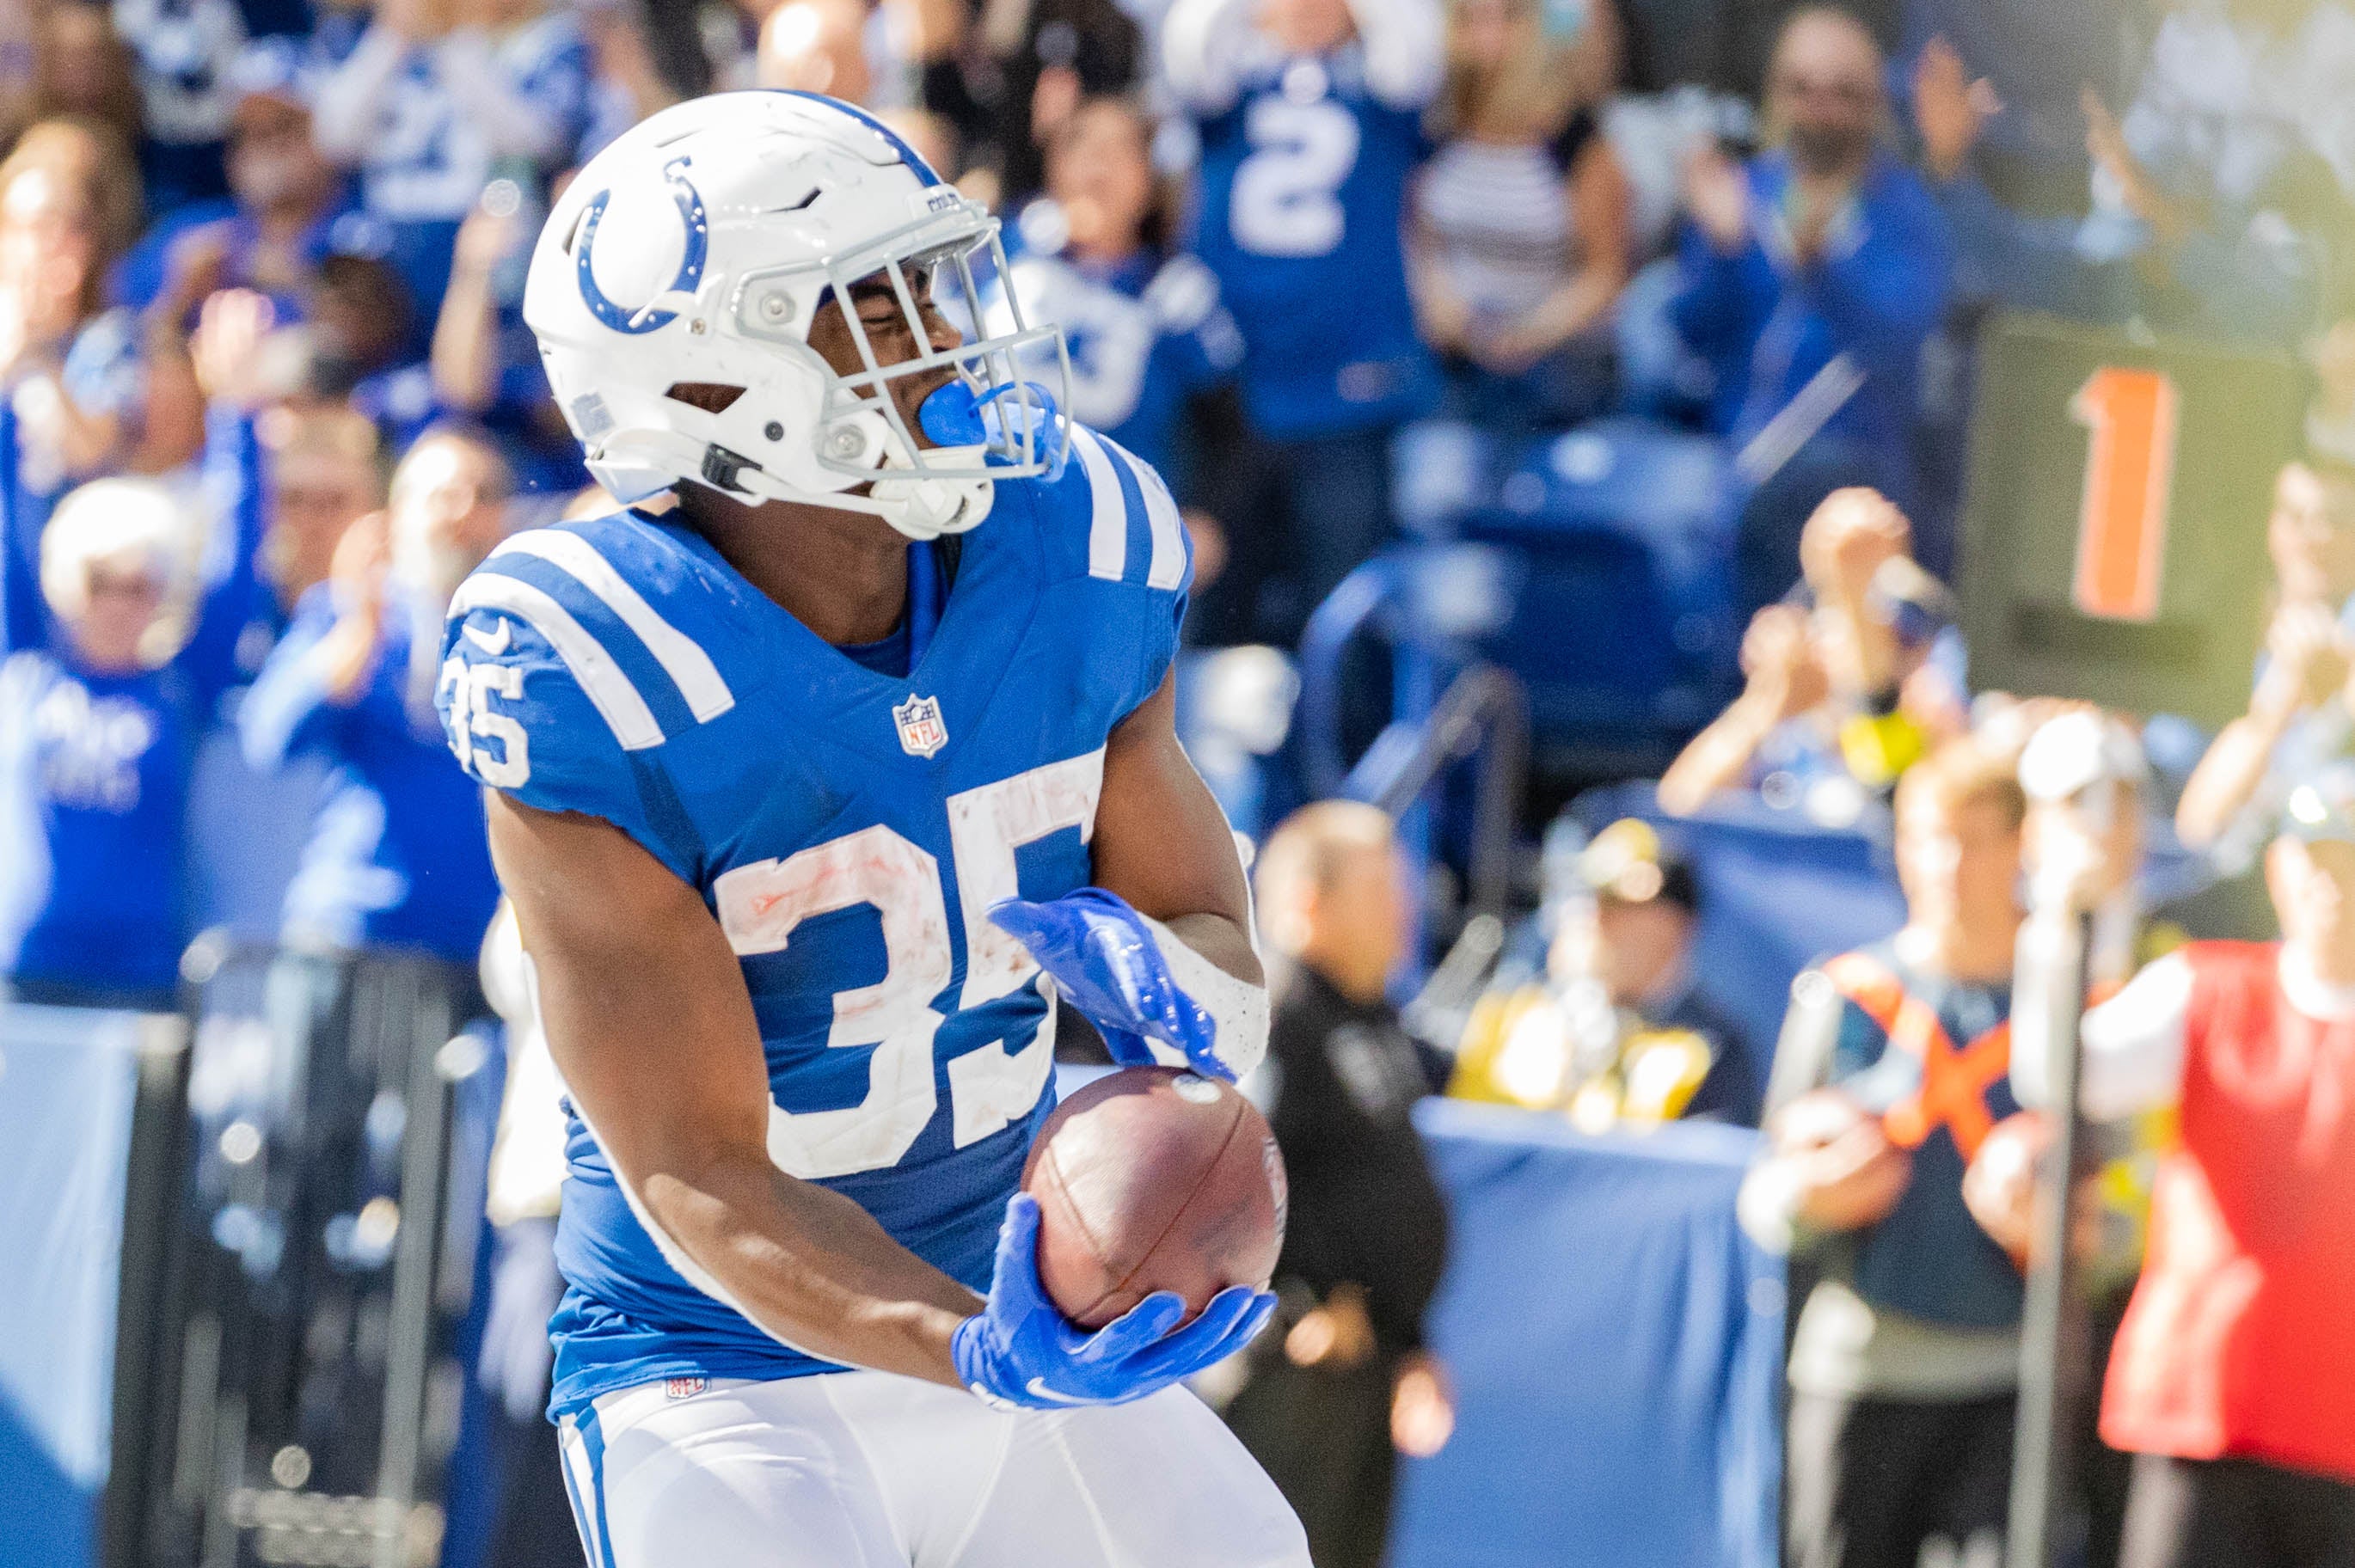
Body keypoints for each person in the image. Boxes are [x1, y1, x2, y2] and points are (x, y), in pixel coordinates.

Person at [435, 94, 1301, 1565]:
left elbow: (1210, 944)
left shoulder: (1074, 538)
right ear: (712, 384)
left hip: (1011, 1303)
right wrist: (972, 1347)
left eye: (937, 287)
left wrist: (1182, 988)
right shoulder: (595, 666)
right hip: (720, 1372)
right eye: (880, 306)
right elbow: (696, 1169)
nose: (951, 338)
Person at [2010, 772, 2355, 1568]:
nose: (2332, 887)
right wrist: (2057, 924)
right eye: (2317, 862)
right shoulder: (2206, 985)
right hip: (2204, 1401)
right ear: (2279, 871)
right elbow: (2059, 1073)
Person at [1741, 738, 2027, 1568]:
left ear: (2020, 847)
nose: (1947, 866)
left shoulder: (2072, 1001)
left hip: (2012, 1376)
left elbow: (2123, 1213)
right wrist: (1811, 1195)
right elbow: (1764, 1193)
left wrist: (2070, 1228)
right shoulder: (1848, 996)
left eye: (1974, 840)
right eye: (1927, 839)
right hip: (1860, 1367)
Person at [1166, 0, 1444, 641]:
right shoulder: (1229, 82)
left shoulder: (1382, 82)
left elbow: (1412, 48)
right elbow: (1191, 45)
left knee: (1342, 622)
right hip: (1230, 394)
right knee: (1214, 618)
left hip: (1347, 386)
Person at [1222, 800, 1452, 1568]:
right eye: (1380, 892)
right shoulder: (1276, 1015)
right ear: (1308, 903)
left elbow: (1384, 1187)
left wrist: (1409, 1335)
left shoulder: (1374, 1017)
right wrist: (1305, 1294)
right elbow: (1235, 1174)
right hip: (1297, 1358)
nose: (1403, 912)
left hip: (1366, 1358)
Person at [1667, 7, 1954, 619]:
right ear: (1774, 96)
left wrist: (1821, 268)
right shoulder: (1744, 192)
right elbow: (1692, 337)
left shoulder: (1904, 211)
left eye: (1842, 93)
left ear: (1874, 104)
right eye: (1801, 89)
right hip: (1735, 458)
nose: (1819, 109)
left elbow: (1899, 342)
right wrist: (1722, 252)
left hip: (1855, 461)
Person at [0, 469, 259, 1009]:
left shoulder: (181, 689)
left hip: (140, 975)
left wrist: (240, 426)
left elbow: (236, 569)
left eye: (138, 586)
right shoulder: (26, 666)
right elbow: (9, 516)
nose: (118, 602)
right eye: (100, 582)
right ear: (66, 582)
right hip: (28, 966)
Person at [1659, 487, 1964, 820]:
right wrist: (1766, 706)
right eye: (1833, 628)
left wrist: (1856, 602)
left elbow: (1904, 782)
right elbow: (1679, 810)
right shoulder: (1784, 718)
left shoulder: (1938, 695)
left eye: (1886, 630)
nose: (1851, 645)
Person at [309, 0, 592, 341]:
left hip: (480, 237)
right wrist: (391, 40)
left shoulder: (527, 42)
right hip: (390, 245)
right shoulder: (361, 40)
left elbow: (537, 141)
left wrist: (452, 43)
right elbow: (334, 140)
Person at [1450, 816, 1761, 1126]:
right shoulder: (1511, 1013)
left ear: (1671, 925)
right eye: (1585, 901)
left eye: (1613, 904)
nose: (1593, 919)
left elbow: (1706, 1150)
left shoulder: (1710, 1048)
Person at [1409, 0, 1631, 433]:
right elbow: (1420, 241)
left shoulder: (1575, 139)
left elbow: (1606, 272)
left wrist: (1528, 334)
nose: (1488, 37)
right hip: (1453, 365)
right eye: (1471, 19)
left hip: (1556, 368)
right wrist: (1443, 309)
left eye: (1507, 17)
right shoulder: (1435, 128)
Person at [997, 95, 1242, 483]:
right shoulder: (1000, 247)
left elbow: (1230, 435)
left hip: (1116, 506)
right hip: (993, 498)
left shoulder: (1176, 289)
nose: (1098, 167)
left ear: (1151, 178)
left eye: (1120, 150)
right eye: (1080, 145)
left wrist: (1205, 509)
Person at [0, 118, 163, 652]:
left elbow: (92, 451)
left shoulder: (109, 341)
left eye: (67, 227)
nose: (45, 245)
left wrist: (36, 360)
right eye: (27, 225)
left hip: (69, 598)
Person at [2176, 456, 2355, 864]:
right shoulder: (2223, 640)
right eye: (2298, 516)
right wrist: (2282, 691)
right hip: (2239, 875)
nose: (2318, 535)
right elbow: (2199, 825)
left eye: (2338, 518)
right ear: (2270, 525)